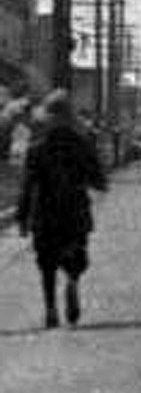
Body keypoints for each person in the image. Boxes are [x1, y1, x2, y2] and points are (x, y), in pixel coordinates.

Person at [16, 90, 108, 329]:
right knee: (75, 255)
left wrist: (22, 218)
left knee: (46, 263)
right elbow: (99, 180)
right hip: (75, 211)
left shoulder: (37, 149)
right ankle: (73, 282)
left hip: (45, 212)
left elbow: (28, 186)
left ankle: (50, 309)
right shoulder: (83, 145)